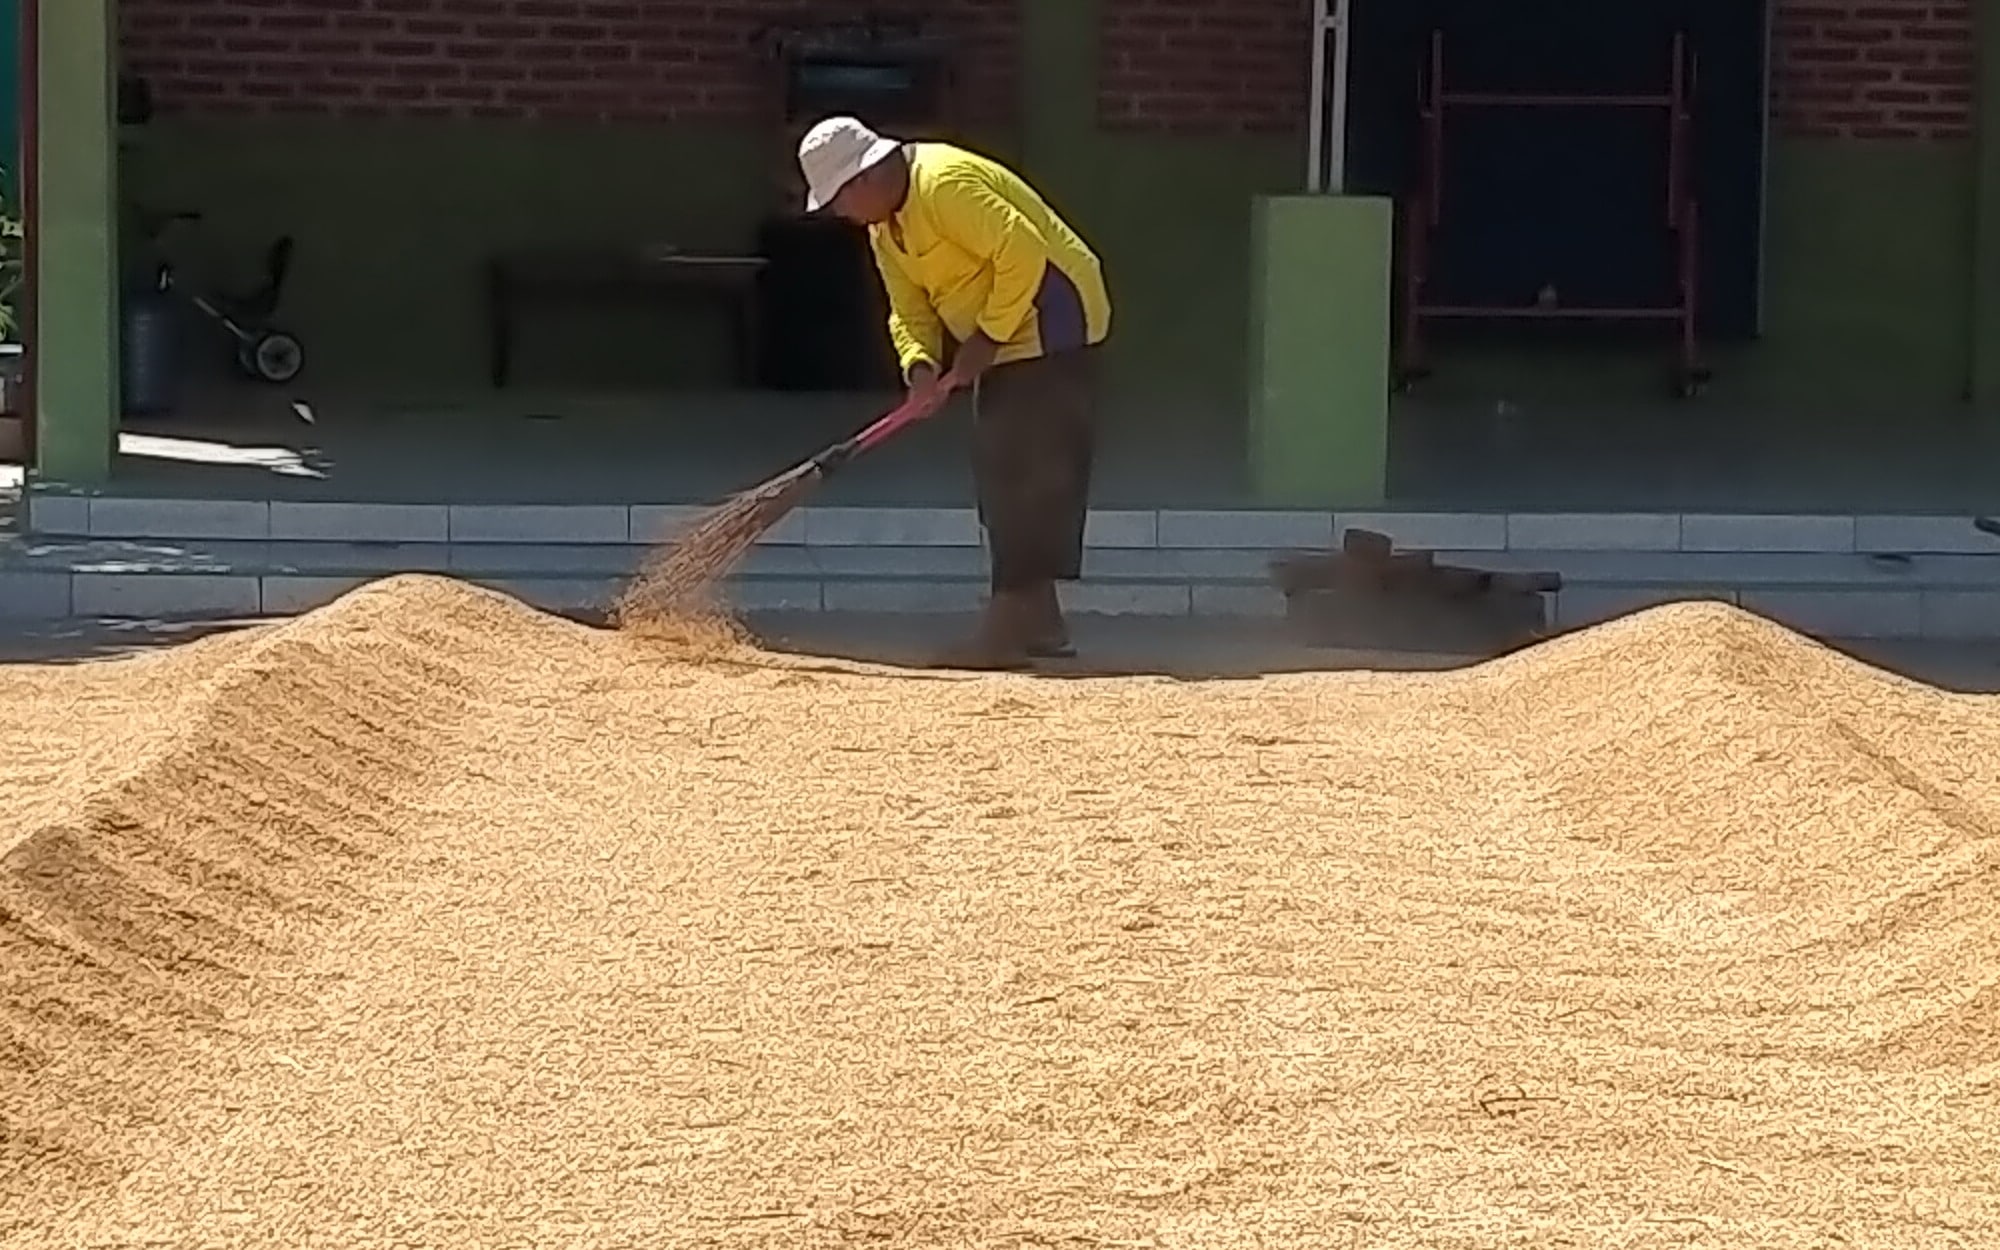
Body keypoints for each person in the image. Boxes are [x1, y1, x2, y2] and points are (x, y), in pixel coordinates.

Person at [796, 116, 1112, 669]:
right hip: (1004, 340)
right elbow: (908, 309)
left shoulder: (944, 186)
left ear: (864, 179)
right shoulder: (884, 231)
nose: (841, 215)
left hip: (1055, 323)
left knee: (1027, 471)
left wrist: (985, 340)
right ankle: (1039, 621)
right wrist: (919, 366)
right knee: (1001, 472)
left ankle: (1007, 628)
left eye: (839, 201)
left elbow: (1024, 253)